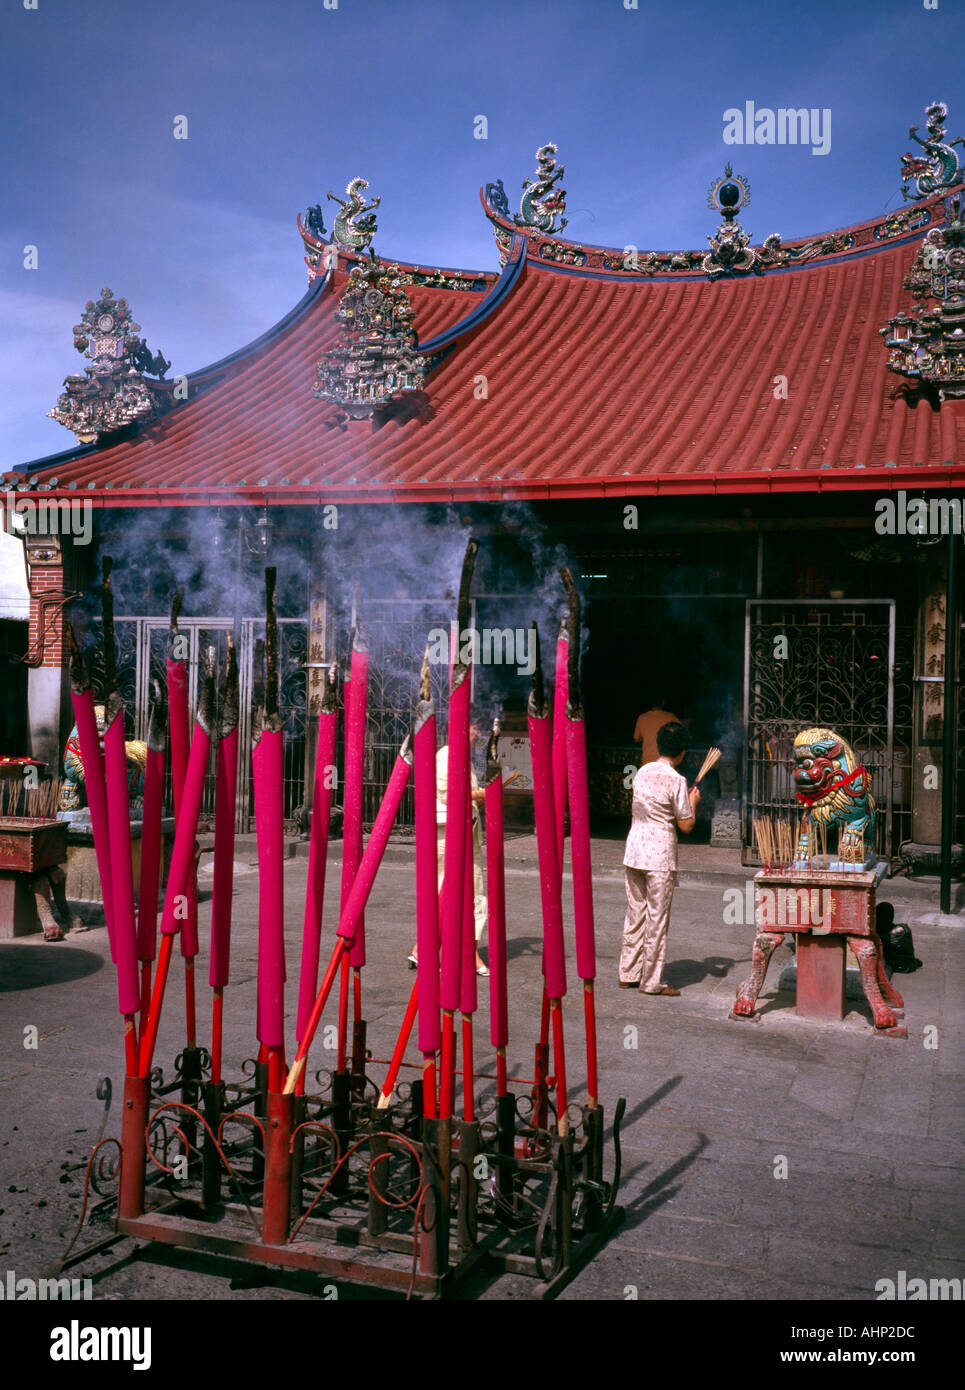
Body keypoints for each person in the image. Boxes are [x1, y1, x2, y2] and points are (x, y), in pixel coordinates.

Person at [409, 719, 518, 974]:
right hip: (447, 833)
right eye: (474, 728)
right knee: (441, 894)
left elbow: (468, 792)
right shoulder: (446, 754)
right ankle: (426, 949)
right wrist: (487, 792)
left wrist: (485, 791)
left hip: (466, 830)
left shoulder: (465, 758)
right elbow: (450, 793)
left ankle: (463, 951)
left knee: (475, 892)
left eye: (480, 729)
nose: (478, 734)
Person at [619, 720, 699, 995]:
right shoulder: (677, 780)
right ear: (682, 752)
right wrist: (694, 802)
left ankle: (628, 972)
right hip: (659, 855)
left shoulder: (642, 772)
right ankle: (651, 982)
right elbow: (686, 824)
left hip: (635, 850)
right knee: (657, 919)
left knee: (635, 913)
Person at [633, 697, 681, 766]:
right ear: (663, 702)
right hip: (665, 761)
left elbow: (636, 738)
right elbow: (681, 733)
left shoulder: (642, 717)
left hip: (647, 761)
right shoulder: (670, 716)